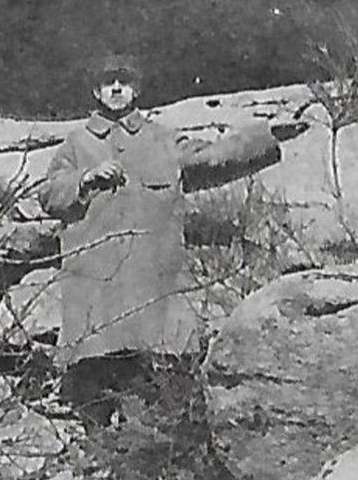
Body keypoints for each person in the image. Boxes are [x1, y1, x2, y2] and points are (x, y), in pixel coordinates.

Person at [38, 54, 309, 378]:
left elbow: (212, 157)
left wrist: (265, 136)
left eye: (123, 82)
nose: (115, 89)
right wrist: (86, 177)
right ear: (96, 92)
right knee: (94, 395)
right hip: (95, 302)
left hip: (154, 293)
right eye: (108, 83)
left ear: (135, 90)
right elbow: (48, 194)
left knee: (161, 392)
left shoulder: (162, 139)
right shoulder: (77, 143)